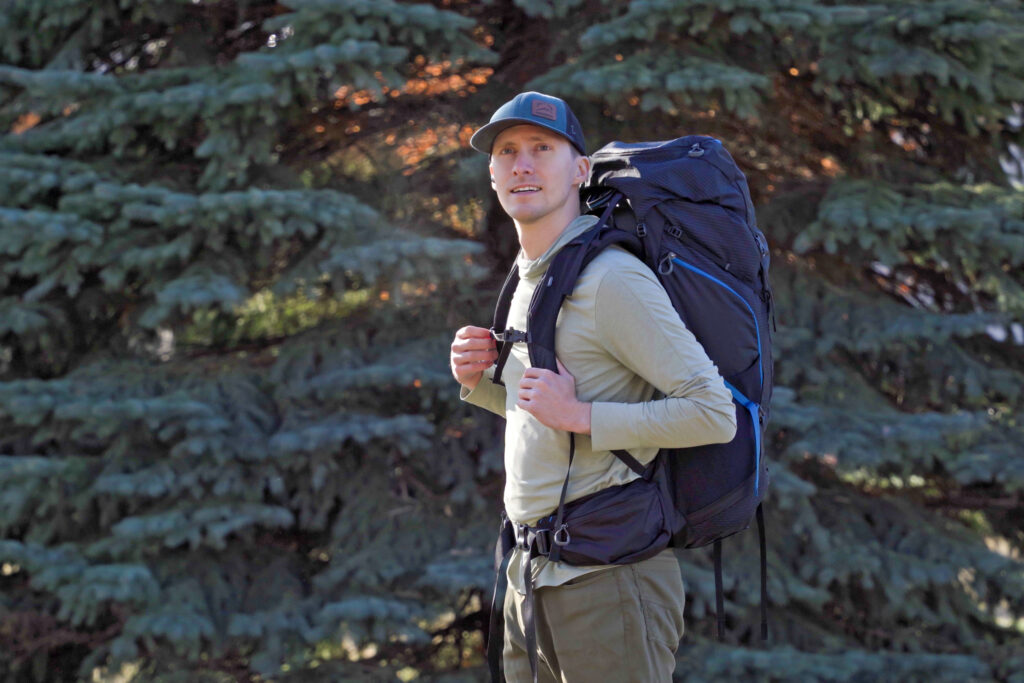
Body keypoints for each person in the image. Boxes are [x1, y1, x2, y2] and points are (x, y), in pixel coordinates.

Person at [449, 91, 737, 682]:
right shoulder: (535, 277)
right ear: (492, 174)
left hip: (607, 579)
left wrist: (581, 416)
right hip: (530, 577)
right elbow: (548, 416)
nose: (522, 165)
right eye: (507, 152)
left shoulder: (611, 280)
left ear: (581, 169)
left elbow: (714, 412)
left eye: (542, 149)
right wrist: (479, 384)